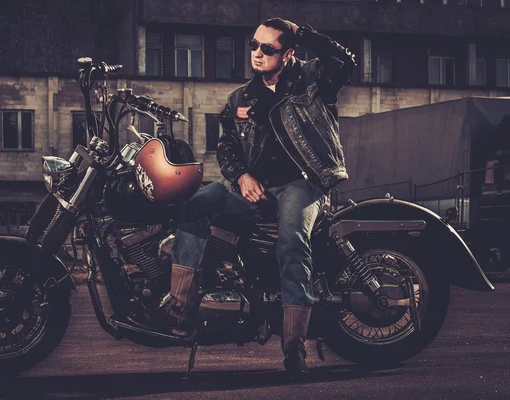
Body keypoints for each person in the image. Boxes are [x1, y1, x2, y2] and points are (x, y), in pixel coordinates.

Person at [129, 17, 356, 379]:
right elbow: (227, 146)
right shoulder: (242, 98)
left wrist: (304, 31)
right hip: (253, 188)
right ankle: (181, 309)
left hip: (303, 183)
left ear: (288, 53)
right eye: (254, 45)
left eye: (268, 48)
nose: (257, 53)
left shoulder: (314, 80)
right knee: (196, 203)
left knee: (292, 242)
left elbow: (346, 62)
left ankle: (295, 345)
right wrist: (241, 175)